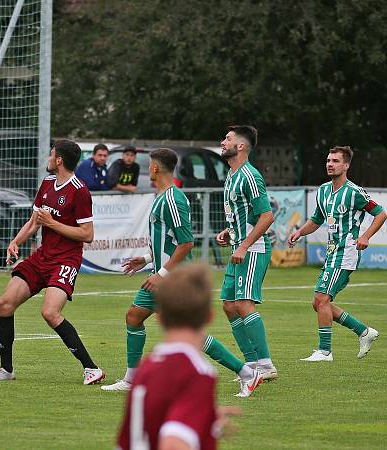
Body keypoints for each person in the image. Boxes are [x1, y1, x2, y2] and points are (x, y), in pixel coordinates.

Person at [101, 148, 262, 398]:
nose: (148, 169)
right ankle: (132, 378)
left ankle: (247, 373)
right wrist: (144, 260)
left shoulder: (173, 199)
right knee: (134, 317)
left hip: (171, 280)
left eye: (150, 165)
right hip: (160, 276)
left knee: (191, 334)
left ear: (155, 168)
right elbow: (167, 242)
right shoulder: (162, 196)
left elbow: (186, 243)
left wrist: (162, 274)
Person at [0, 140, 104, 385]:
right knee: (4, 303)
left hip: (66, 260)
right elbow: (35, 220)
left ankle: (91, 368)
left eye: (51, 155)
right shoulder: (48, 183)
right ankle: (6, 370)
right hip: (42, 256)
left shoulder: (79, 190)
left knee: (50, 312)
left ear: (59, 160)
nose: (48, 159)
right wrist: (15, 241)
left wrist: (52, 224)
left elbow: (87, 235)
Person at [116, 264, 241, 450]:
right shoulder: (197, 373)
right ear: (209, 317)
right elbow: (173, 443)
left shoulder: (146, 366)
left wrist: (203, 416)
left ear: (159, 317)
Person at [288, 146, 385, 362]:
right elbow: (316, 220)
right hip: (332, 253)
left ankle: (325, 351)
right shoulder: (323, 191)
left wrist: (366, 236)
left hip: (346, 252)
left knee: (321, 299)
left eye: (335, 161)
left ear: (346, 165)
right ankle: (363, 331)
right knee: (319, 303)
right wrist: (299, 233)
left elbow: (380, 213)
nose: (330, 164)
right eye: (328, 160)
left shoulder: (354, 192)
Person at [216, 125, 277, 380]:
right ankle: (251, 363)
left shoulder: (250, 175)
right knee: (229, 306)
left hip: (252, 249)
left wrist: (243, 245)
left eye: (228, 139)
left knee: (243, 304)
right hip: (238, 247)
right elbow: (247, 216)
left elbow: (267, 216)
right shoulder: (232, 175)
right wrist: (229, 232)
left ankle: (266, 365)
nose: (222, 142)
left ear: (240, 146)